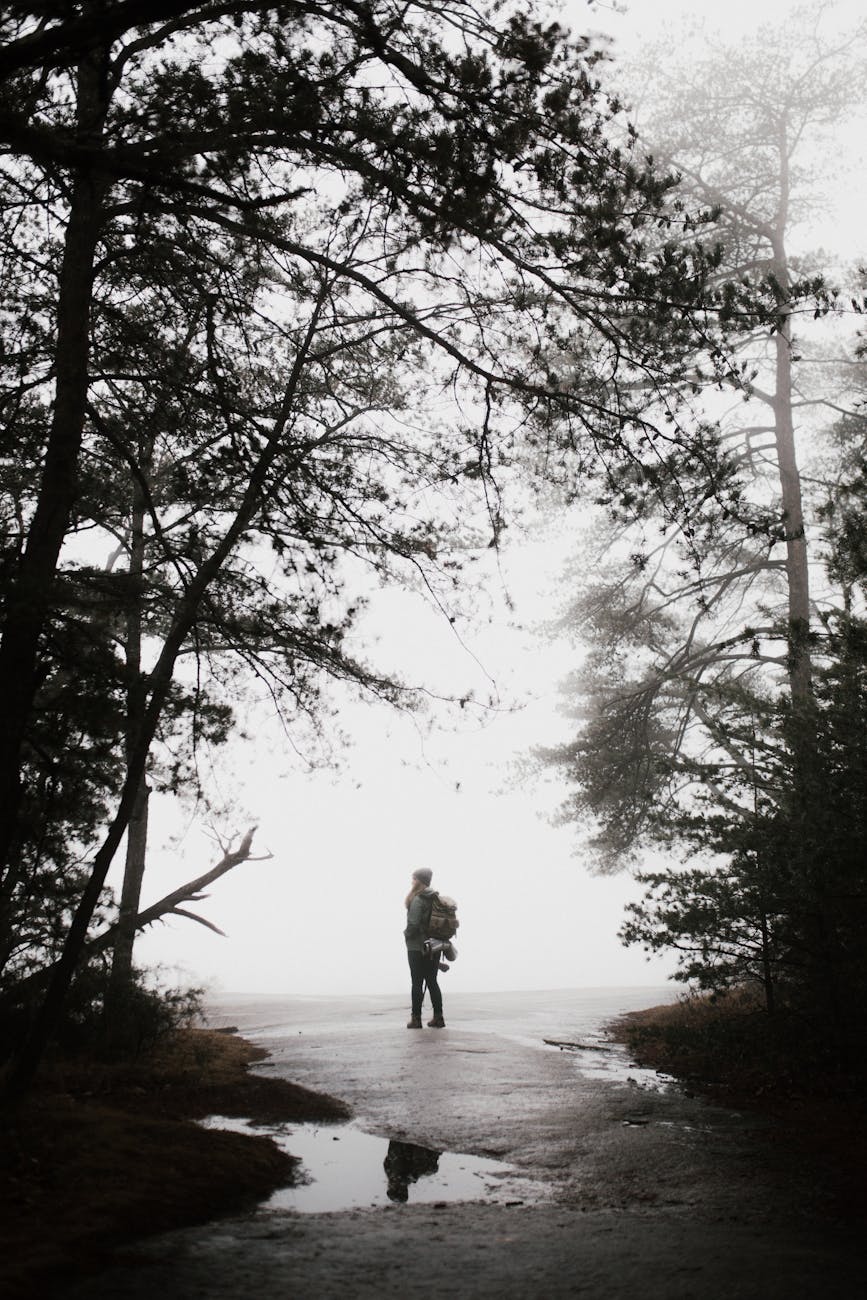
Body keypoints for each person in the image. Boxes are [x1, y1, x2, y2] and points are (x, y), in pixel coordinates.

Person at [404, 867, 445, 1029]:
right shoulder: (436, 898)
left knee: (416, 983)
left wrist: (406, 934)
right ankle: (438, 1017)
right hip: (434, 946)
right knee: (432, 981)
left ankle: (416, 1019)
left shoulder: (418, 899)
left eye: (413, 879)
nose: (411, 881)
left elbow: (413, 924)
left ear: (419, 881)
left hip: (417, 947)